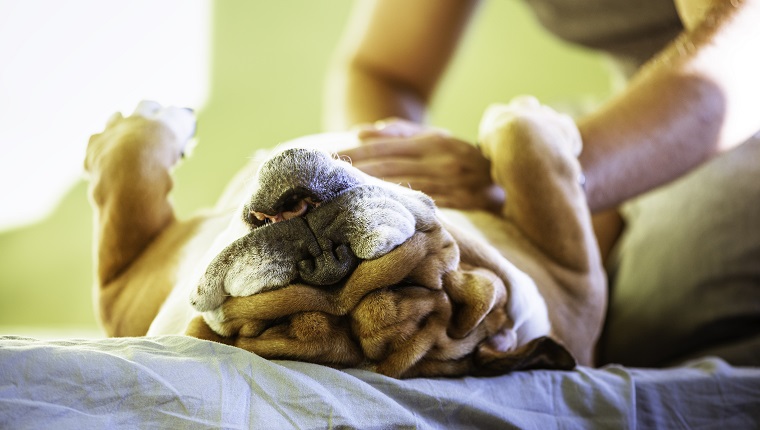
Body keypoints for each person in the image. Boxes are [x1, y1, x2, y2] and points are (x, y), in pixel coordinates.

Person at [324, 0, 760, 367]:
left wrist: (541, 180)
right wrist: (399, 183)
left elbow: (745, 53)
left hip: (728, 121)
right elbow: (382, 68)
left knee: (653, 324)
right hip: (615, 121)